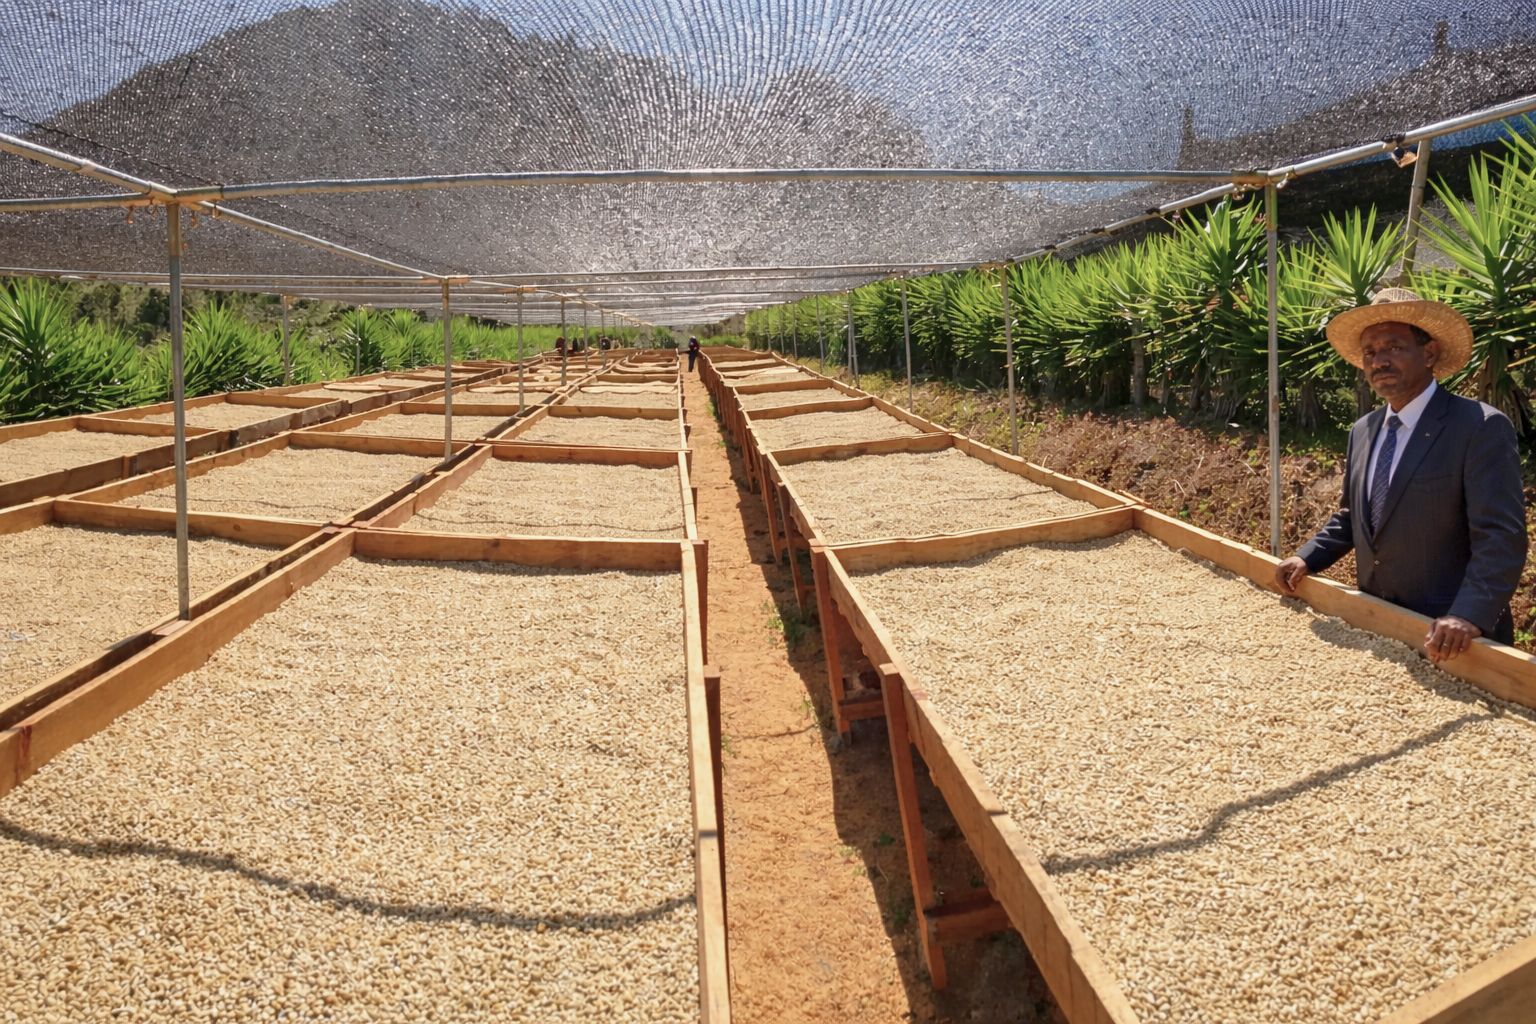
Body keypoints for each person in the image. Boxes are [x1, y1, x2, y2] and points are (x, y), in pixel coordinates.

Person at [1274, 288, 1526, 662]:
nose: (1379, 361)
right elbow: (1353, 516)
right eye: (1371, 353)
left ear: (1429, 354)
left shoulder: (1478, 427)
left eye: (1393, 347)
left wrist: (1466, 614)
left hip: (1454, 641)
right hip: (1381, 630)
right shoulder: (1363, 430)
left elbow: (1501, 536)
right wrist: (1307, 557)